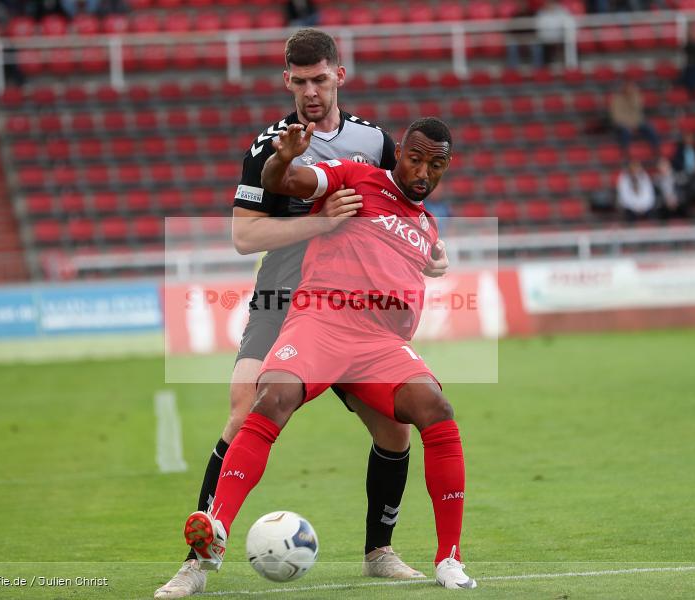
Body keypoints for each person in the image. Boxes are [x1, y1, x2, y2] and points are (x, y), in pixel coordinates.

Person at [154, 29, 448, 599]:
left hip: (355, 305)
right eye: (300, 81)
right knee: (244, 408)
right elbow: (244, 236)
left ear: (340, 74)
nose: (311, 91)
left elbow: (410, 195)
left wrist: (432, 249)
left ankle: (379, 551)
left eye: (320, 79)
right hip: (282, 293)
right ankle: (198, 558)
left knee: (394, 428)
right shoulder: (270, 145)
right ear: (286, 80)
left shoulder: (373, 140)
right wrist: (325, 222)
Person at [183, 117, 477, 590]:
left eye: (435, 164)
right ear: (397, 153)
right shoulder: (358, 176)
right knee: (270, 398)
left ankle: (449, 558)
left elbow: (420, 260)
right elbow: (290, 180)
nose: (422, 171)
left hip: (380, 344)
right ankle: (213, 535)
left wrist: (436, 258)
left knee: (436, 411)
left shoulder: (425, 223)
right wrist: (282, 158)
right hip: (321, 320)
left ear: (447, 167)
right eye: (415, 158)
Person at [608, 82, 660, 154]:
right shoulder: (616, 100)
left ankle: (656, 149)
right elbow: (617, 117)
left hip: (636, 123)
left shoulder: (636, 97)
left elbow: (639, 113)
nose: (630, 90)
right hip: (623, 124)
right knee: (625, 132)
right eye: (628, 89)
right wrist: (629, 125)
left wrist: (633, 98)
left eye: (632, 89)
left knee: (649, 128)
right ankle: (625, 152)